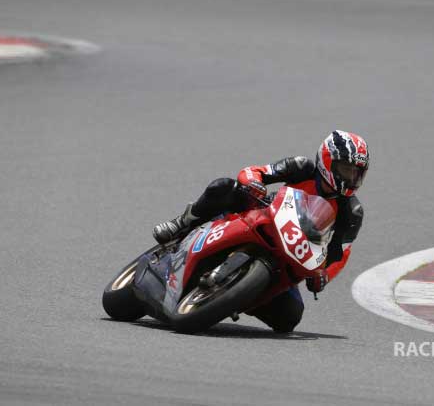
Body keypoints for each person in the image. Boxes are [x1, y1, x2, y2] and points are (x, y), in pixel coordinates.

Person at [153, 130, 369, 332]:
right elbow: (255, 172)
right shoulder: (301, 168)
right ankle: (182, 223)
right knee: (224, 187)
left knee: (290, 318)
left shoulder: (351, 211)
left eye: (356, 173)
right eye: (345, 169)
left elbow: (340, 252)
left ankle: (239, 295)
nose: (350, 178)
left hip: (293, 249)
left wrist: (324, 275)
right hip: (263, 214)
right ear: (327, 161)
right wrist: (254, 183)